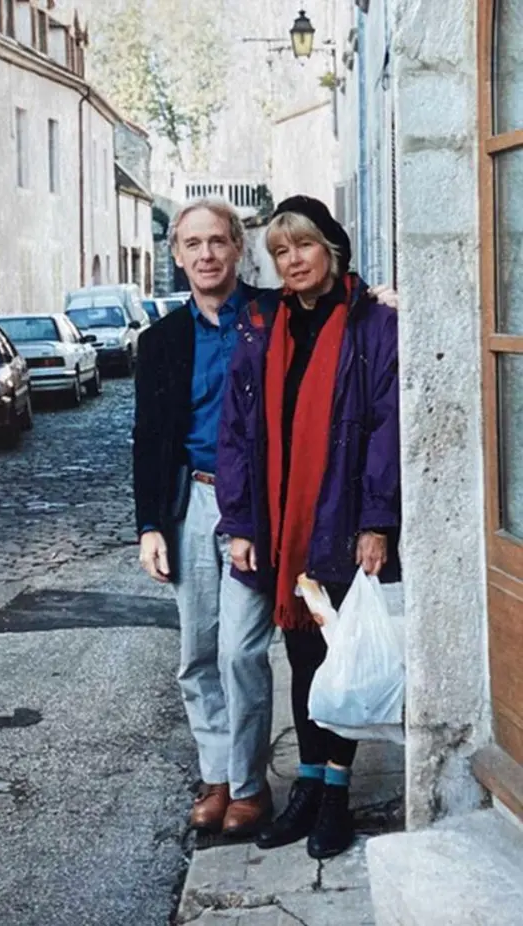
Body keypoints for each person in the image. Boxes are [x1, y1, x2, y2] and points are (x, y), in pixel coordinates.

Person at [215, 195, 400, 860]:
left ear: (333, 250)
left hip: (342, 516)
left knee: (338, 654)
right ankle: (310, 783)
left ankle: (335, 799)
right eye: (281, 251)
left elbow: (387, 427)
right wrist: (239, 521)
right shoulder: (262, 325)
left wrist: (377, 521)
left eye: (304, 247)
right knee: (301, 655)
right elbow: (234, 431)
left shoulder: (372, 322)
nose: (292, 261)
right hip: (281, 515)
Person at [133, 198, 275, 837]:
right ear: (177, 255)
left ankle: (249, 785)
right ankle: (215, 776)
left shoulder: (272, 318)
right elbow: (148, 436)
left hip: (255, 506)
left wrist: (378, 298)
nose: (207, 255)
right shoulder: (161, 340)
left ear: (238, 248)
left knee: (242, 651)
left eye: (218, 241)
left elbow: (339, 317)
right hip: (193, 501)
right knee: (197, 652)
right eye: (193, 244)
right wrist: (150, 526)